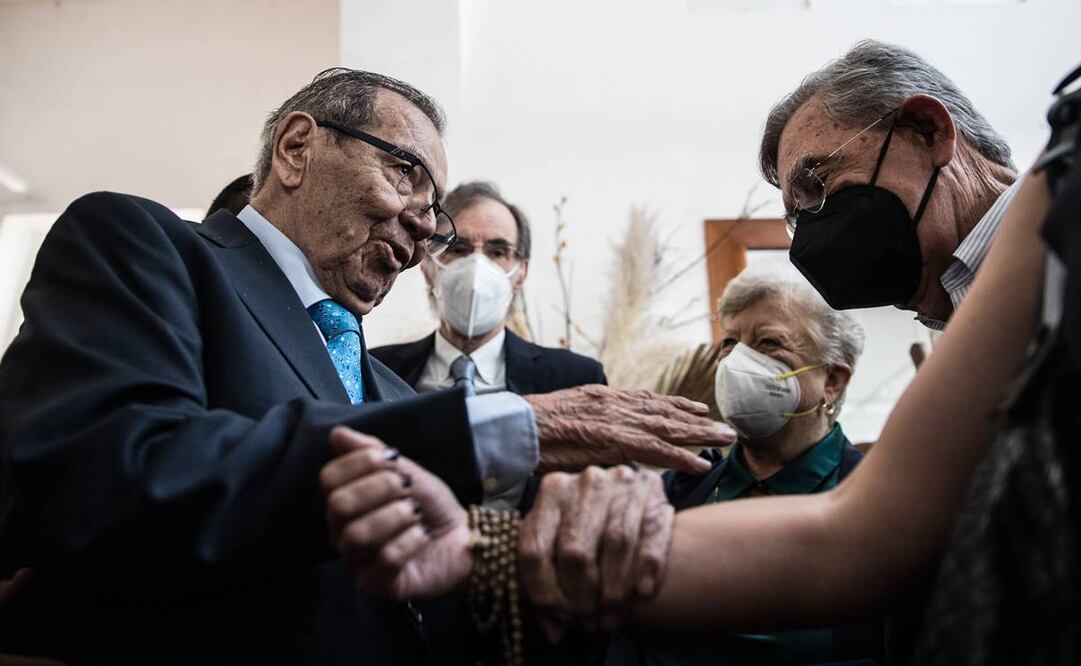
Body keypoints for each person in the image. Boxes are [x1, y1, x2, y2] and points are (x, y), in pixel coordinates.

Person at [0, 68, 732, 665]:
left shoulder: (382, 386)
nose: (422, 227)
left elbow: (422, 610)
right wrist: (501, 424)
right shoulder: (144, 247)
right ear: (296, 148)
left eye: (433, 208)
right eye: (405, 172)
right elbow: (115, 478)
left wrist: (564, 579)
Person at [606, 266, 878, 665]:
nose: (737, 361)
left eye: (768, 343)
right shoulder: (677, 491)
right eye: (730, 343)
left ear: (832, 381)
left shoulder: (873, 500)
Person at [761, 40, 1017, 330]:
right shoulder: (966, 322)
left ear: (927, 130)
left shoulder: (1064, 225)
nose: (815, 235)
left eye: (819, 183)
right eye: (798, 216)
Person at [371, 181, 606, 396]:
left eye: (497, 252)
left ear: (521, 273)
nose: (476, 267)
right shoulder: (374, 370)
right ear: (427, 267)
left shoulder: (576, 380)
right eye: (458, 249)